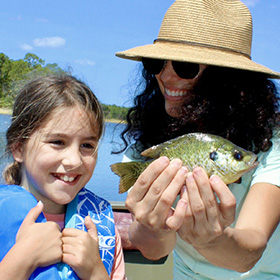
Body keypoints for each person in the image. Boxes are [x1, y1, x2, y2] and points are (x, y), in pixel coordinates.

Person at [115, 0, 280, 279]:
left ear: (228, 77)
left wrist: (211, 240)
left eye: (185, 66)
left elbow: (249, 249)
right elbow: (155, 250)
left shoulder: (271, 140)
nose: (165, 76)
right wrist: (151, 226)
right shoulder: (148, 144)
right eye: (156, 62)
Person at [0, 74, 126, 280]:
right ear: (18, 148)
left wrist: (95, 271)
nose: (74, 160)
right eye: (58, 141)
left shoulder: (100, 228)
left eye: (87, 145)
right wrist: (23, 258)